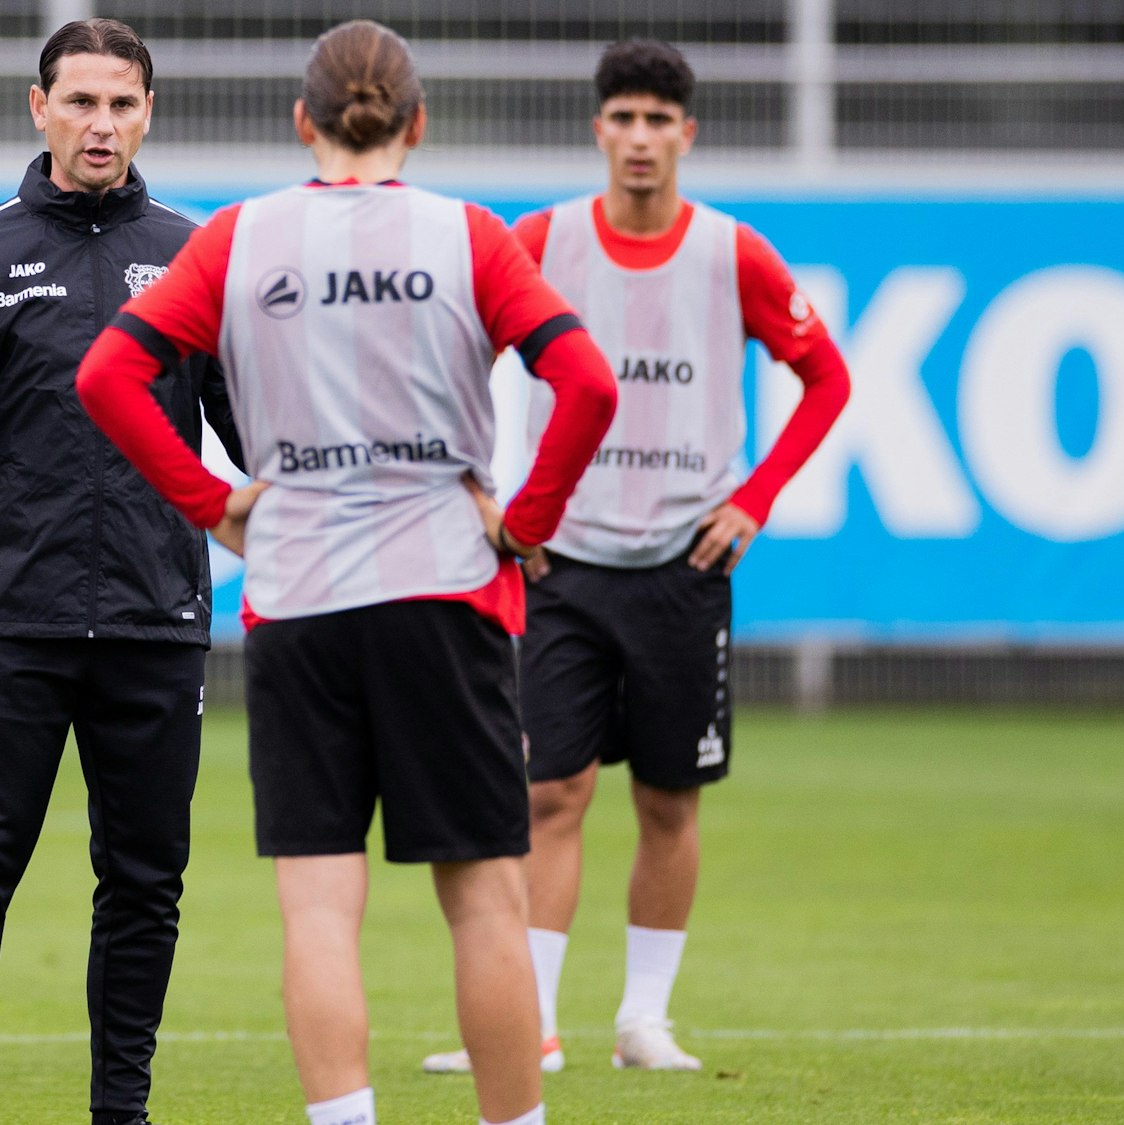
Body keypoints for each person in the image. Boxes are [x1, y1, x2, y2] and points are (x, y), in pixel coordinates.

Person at [77, 20, 618, 1125]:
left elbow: (106, 376)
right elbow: (589, 386)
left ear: (301, 123)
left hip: (301, 596)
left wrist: (210, 501)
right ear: (415, 124)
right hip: (444, 590)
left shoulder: (239, 236)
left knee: (318, 909)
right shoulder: (467, 234)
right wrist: (523, 525)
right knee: (481, 902)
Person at [419, 39, 852, 1077]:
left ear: (686, 135)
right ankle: (535, 1028)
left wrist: (751, 501)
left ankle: (641, 1024)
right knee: (548, 794)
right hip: (558, 565)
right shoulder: (542, 241)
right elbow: (455, 365)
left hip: (679, 568)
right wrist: (491, 500)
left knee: (668, 798)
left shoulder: (731, 254)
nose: (641, 138)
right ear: (597, 129)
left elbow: (824, 378)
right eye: (623, 117)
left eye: (660, 119)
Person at [0, 18, 243, 1125]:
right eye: (80, 102)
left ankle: (118, 1114)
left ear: (147, 113)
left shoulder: (195, 254)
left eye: (121, 104)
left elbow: (245, 430)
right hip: (12, 622)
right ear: (35, 106)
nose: (101, 125)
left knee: (143, 885)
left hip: (154, 617)